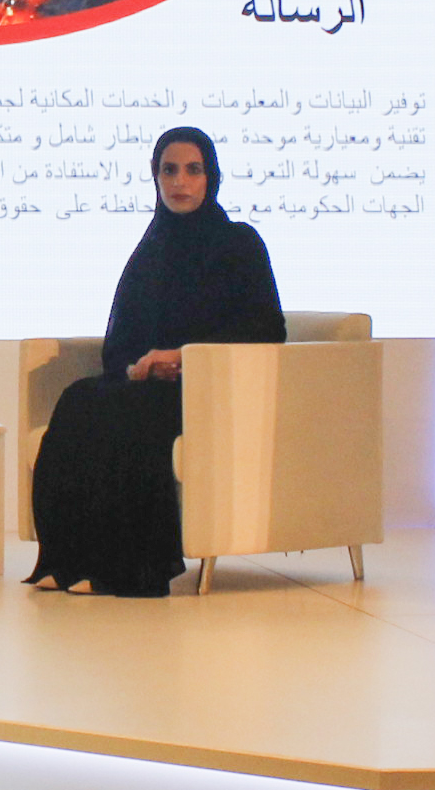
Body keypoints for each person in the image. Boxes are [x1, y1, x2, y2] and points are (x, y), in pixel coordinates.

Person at [27, 127, 285, 598]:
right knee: (79, 400)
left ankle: (129, 569)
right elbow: (122, 337)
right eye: (169, 170)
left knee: (132, 417)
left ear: (211, 177)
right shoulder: (152, 249)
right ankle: (67, 559)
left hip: (212, 389)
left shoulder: (238, 244)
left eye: (193, 170)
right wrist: (137, 367)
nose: (179, 182)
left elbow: (265, 328)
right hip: (149, 383)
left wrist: (185, 358)